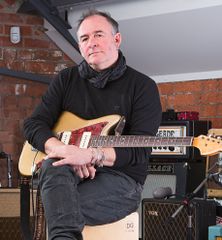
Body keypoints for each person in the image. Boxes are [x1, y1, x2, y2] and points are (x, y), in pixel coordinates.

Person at [23, 9, 162, 240]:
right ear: (79, 46)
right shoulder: (66, 80)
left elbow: (138, 152)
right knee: (52, 169)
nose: (92, 43)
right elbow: (33, 124)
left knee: (60, 206)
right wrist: (64, 151)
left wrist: (88, 155)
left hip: (121, 182)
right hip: (68, 173)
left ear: (116, 39)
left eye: (98, 35)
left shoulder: (143, 87)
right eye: (85, 38)